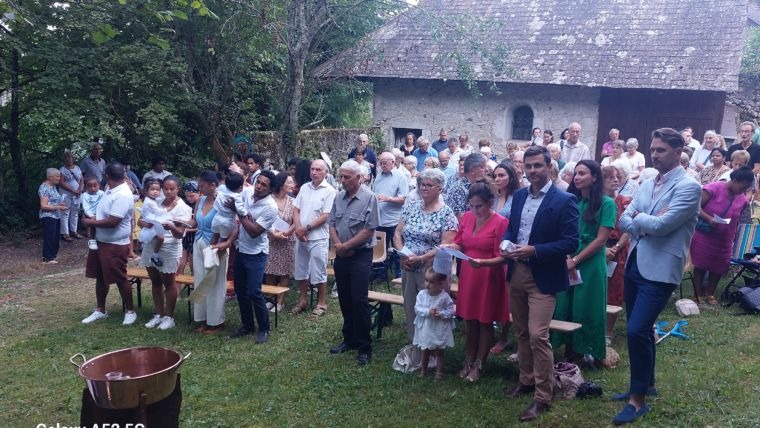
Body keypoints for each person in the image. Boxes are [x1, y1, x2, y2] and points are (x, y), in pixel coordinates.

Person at [613, 128, 701, 425]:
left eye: (661, 150)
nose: (654, 154)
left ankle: (637, 402)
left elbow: (664, 225)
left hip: (661, 270)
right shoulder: (648, 183)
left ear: (679, 152)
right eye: (653, 149)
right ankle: (645, 383)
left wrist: (639, 219)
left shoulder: (689, 187)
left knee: (636, 330)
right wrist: (642, 219)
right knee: (642, 327)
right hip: (636, 262)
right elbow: (625, 217)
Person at [501, 145, 579, 423]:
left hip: (543, 276)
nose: (533, 171)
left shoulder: (564, 200)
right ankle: (526, 380)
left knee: (538, 335)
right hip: (516, 271)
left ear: (549, 166)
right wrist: (505, 243)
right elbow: (512, 226)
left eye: (538, 166)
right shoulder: (520, 195)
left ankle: (543, 397)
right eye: (528, 166)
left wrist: (535, 250)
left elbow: (571, 242)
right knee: (521, 331)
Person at [443, 182, 509, 382]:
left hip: (489, 275)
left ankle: (481, 362)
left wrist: (485, 262)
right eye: (471, 205)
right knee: (470, 319)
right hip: (469, 273)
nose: (475, 210)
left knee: (484, 320)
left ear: (490, 203)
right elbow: (461, 242)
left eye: (479, 206)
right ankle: (469, 359)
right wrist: (448, 246)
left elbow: (504, 256)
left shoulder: (500, 222)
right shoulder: (467, 217)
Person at [553, 160, 615, 364]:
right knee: (566, 302)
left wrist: (576, 260)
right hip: (568, 256)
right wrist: (567, 257)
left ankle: (583, 350)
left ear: (594, 177)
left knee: (585, 304)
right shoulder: (572, 200)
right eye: (575, 174)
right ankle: (568, 348)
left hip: (590, 262)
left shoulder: (607, 203)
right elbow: (561, 231)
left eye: (582, 173)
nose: (577, 177)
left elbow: (601, 239)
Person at [394, 168, 458, 343]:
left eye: (429, 185)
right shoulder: (411, 208)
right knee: (411, 305)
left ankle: (432, 348)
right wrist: (403, 255)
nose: (424, 188)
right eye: (422, 184)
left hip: (432, 271)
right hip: (408, 265)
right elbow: (398, 233)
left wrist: (421, 258)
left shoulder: (447, 214)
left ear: (440, 189)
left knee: (432, 308)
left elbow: (445, 246)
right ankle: (415, 343)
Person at [326, 160, 380, 365]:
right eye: (341, 176)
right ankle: (348, 338)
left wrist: (347, 246)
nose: (342, 180)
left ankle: (364, 345)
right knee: (345, 298)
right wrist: (339, 245)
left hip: (360, 255)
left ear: (359, 178)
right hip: (341, 253)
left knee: (359, 299)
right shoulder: (338, 197)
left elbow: (369, 230)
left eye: (347, 177)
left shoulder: (369, 198)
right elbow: (332, 223)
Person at [81, 162, 137, 325]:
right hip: (101, 241)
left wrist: (90, 222)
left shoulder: (123, 194)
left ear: (106, 176)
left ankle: (130, 311)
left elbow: (113, 221)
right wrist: (94, 221)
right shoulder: (110, 189)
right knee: (100, 276)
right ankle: (101, 309)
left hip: (116, 244)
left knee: (120, 277)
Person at [227, 171, 279, 343]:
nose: (259, 186)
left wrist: (240, 214)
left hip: (256, 253)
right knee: (240, 290)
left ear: (271, 189)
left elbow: (255, 231)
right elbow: (234, 198)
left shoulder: (270, 207)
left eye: (264, 185)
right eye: (258, 182)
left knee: (254, 291)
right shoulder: (248, 193)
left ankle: (264, 329)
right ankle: (247, 325)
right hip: (241, 248)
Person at [690, 167, 753, 305]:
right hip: (705, 234)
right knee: (701, 264)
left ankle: (710, 293)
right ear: (735, 180)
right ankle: (697, 294)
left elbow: (741, 218)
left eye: (747, 188)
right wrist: (708, 219)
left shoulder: (741, 198)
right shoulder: (713, 188)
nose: (743, 191)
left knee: (720, 264)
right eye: (743, 187)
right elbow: (694, 206)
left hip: (726, 237)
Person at [139, 176, 191, 330]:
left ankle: (169, 316)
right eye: (165, 188)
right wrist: (145, 223)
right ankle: (159, 314)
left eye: (172, 189)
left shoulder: (183, 207)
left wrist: (172, 227)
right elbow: (140, 220)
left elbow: (180, 234)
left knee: (169, 283)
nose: (168, 192)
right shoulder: (156, 200)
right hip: (151, 244)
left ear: (178, 189)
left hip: (169, 247)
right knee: (155, 281)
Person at [291, 159, 337, 316]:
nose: (315, 172)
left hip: (318, 237)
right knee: (301, 269)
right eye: (312, 169)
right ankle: (302, 300)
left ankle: (321, 303)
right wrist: (298, 229)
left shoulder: (330, 190)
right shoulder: (304, 187)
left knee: (319, 270)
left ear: (325, 172)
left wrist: (306, 228)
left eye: (318, 170)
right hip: (301, 236)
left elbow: (326, 215)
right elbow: (296, 209)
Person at [187, 171, 229, 334]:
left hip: (215, 245)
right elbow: (194, 221)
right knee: (200, 280)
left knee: (214, 282)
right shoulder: (201, 200)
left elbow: (229, 225)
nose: (199, 189)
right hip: (199, 243)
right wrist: (182, 223)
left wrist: (222, 245)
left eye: (202, 186)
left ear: (213, 185)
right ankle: (202, 318)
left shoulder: (223, 201)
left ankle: (216, 321)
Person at [601, 165, 631, 344]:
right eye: (611, 177)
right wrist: (603, 249)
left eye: (618, 177)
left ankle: (608, 332)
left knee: (615, 291)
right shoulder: (596, 201)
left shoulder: (624, 201)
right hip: (598, 249)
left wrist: (616, 248)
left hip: (618, 251)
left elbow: (629, 228)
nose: (615, 180)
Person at [373, 152, 409, 281]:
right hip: (380, 218)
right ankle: (380, 275)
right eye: (380, 162)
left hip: (394, 219)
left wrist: (388, 198)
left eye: (384, 163)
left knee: (396, 248)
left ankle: (399, 276)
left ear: (393, 162)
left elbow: (403, 199)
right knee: (379, 247)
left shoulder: (400, 177)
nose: (381, 165)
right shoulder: (378, 177)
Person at [264, 172, 297, 312]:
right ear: (281, 184)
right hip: (271, 239)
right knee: (270, 271)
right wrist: (274, 233)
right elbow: (264, 219)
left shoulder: (293, 201)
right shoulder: (269, 200)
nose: (292, 185)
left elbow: (296, 221)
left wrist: (287, 232)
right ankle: (270, 298)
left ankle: (281, 301)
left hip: (287, 240)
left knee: (284, 272)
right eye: (289, 182)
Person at [414, 268, 455, 379]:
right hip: (426, 328)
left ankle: (439, 372)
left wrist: (441, 314)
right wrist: (427, 311)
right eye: (426, 280)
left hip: (438, 328)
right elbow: (417, 309)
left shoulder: (444, 296)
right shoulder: (422, 295)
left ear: (440, 283)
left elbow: (451, 310)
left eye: (432, 282)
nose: (428, 284)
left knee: (439, 350)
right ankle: (423, 370)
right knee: (425, 349)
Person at [445, 153, 488, 220]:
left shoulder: (481, 185)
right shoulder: (458, 189)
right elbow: (460, 218)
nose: (487, 170)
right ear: (472, 170)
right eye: (482, 167)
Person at [138, 178, 169, 267]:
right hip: (151, 224)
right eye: (152, 189)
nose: (155, 192)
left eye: (157, 190)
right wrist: (168, 209)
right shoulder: (150, 201)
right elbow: (156, 213)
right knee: (160, 238)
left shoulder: (154, 200)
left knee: (159, 238)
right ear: (146, 191)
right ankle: (155, 255)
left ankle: (154, 254)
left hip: (153, 223)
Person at [38, 168, 67, 264]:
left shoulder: (53, 186)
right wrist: (59, 207)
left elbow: (53, 201)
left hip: (56, 215)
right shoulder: (44, 187)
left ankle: (52, 256)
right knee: (49, 237)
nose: (59, 178)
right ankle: (47, 258)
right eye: (57, 176)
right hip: (48, 216)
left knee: (55, 237)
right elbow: (43, 206)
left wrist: (60, 205)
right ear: (50, 177)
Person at [211, 172, 247, 245]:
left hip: (217, 218)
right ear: (240, 187)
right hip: (227, 221)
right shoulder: (237, 197)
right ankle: (218, 254)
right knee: (223, 240)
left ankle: (209, 251)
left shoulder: (221, 188)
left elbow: (216, 191)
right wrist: (246, 213)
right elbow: (241, 211)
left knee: (215, 236)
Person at [59, 150, 84, 242]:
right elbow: (61, 182)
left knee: (75, 213)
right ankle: (65, 233)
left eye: (69, 157)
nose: (68, 159)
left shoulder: (77, 168)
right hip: (66, 194)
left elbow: (81, 180)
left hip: (77, 194)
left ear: (73, 158)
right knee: (65, 213)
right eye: (66, 157)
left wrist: (80, 189)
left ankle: (74, 231)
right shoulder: (62, 169)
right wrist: (73, 190)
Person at [178, 181, 200, 275]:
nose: (189, 198)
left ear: (199, 193)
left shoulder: (201, 205)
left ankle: (194, 288)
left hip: (195, 237)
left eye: (192, 196)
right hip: (185, 237)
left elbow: (200, 226)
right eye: (187, 196)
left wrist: (188, 229)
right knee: (180, 265)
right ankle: (177, 288)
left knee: (193, 266)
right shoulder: (185, 205)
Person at [81, 176, 105, 250]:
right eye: (90, 186)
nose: (93, 188)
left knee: (102, 227)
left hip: (101, 213)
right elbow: (86, 207)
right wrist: (91, 216)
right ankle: (92, 241)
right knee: (93, 228)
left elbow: (104, 203)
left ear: (99, 185)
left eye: (95, 186)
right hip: (90, 214)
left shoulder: (102, 193)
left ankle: (102, 241)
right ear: (86, 187)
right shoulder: (84, 195)